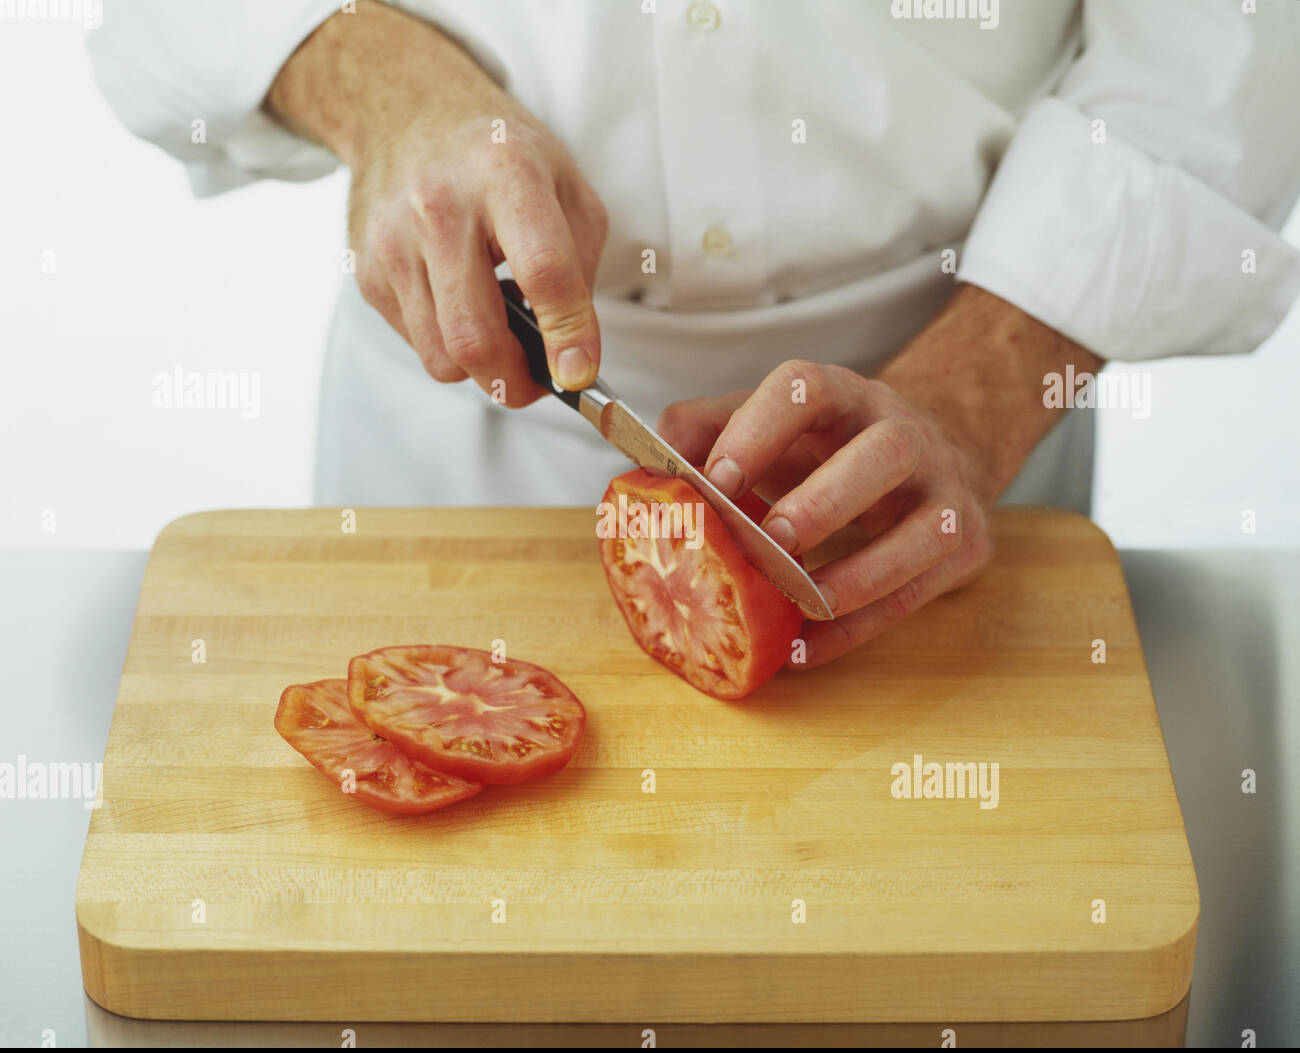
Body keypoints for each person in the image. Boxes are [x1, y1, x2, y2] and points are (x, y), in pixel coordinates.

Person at [89, 0, 1300, 667]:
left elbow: (1226, 38)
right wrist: (381, 77)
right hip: (464, 398)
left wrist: (976, 398)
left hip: (969, 395)